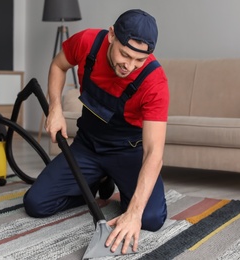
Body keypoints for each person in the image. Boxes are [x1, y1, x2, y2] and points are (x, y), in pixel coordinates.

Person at [23, 9, 169, 254]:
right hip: (87, 146)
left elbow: (154, 151)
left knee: (151, 218)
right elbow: (58, 65)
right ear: (112, 35)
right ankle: (96, 181)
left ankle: (120, 187)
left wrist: (133, 212)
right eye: (125, 54)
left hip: (127, 153)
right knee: (36, 204)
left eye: (139, 60)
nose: (129, 66)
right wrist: (55, 108)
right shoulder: (87, 43)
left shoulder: (155, 82)